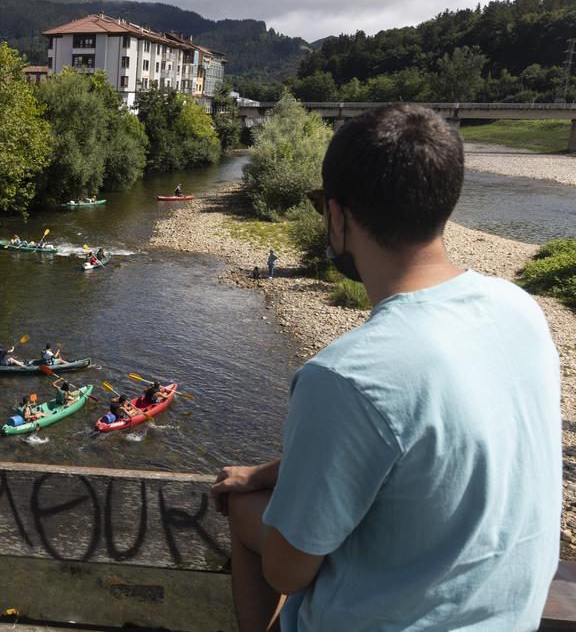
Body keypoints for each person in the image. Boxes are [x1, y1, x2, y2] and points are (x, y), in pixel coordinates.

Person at [209, 104, 560, 632]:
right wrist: (268, 472)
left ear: (337, 217)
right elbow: (414, 435)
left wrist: (255, 497)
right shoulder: (520, 310)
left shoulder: (347, 376)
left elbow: (287, 571)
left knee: (245, 512)